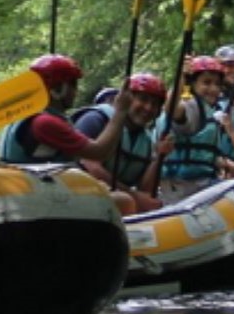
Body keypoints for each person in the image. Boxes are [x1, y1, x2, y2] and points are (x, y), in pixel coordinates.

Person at [0, 54, 135, 211]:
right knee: (124, 202)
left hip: (33, 192)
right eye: (73, 85)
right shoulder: (44, 123)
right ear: (57, 89)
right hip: (34, 199)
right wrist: (120, 112)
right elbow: (99, 151)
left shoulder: (28, 114)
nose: (76, 91)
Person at [72, 72, 174, 213]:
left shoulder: (146, 140)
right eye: (143, 100)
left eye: (155, 104)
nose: (148, 108)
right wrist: (134, 197)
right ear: (127, 99)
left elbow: (145, 190)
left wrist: (159, 157)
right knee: (126, 202)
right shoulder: (95, 119)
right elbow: (89, 166)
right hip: (78, 193)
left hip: (114, 202)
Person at [159, 55, 229, 192]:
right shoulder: (191, 105)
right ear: (192, 85)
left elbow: (204, 154)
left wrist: (229, 165)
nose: (213, 89)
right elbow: (171, 107)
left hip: (201, 183)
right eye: (207, 83)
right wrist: (182, 77)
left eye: (217, 84)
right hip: (181, 187)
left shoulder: (210, 110)